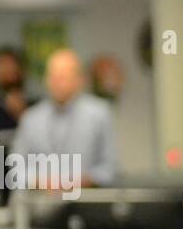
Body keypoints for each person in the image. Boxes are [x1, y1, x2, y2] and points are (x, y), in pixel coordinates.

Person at [11, 48, 118, 190]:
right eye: (53, 76)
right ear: (45, 80)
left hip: (85, 202)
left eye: (64, 76)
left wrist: (84, 180)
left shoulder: (99, 114)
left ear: (79, 80)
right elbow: (15, 170)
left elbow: (110, 168)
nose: (58, 82)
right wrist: (40, 181)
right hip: (41, 205)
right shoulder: (30, 118)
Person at [0, 45, 35, 132]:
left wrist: (23, 114)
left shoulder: (37, 107)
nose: (7, 69)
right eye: (2, 65)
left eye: (11, 64)